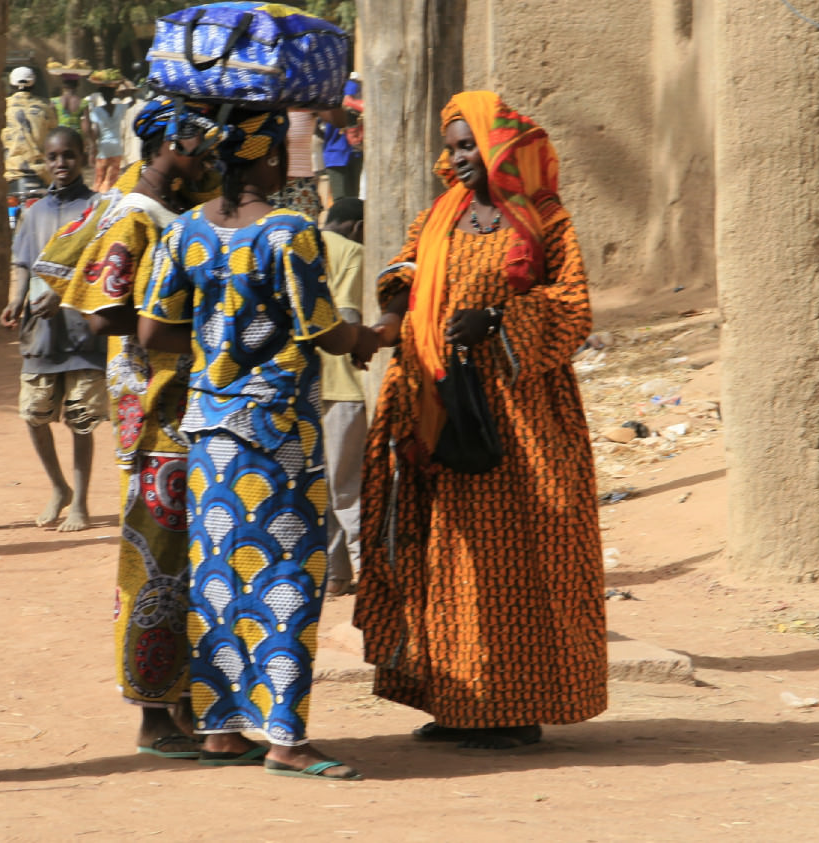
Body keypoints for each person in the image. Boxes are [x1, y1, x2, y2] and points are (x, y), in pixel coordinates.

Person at [354, 91, 606, 751]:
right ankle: (458, 700)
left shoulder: (546, 219)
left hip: (521, 420)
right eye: (454, 146)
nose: (458, 157)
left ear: (500, 147)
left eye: (470, 145)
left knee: (512, 557)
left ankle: (515, 707)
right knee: (444, 552)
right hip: (437, 406)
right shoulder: (441, 215)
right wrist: (387, 323)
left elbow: (574, 307)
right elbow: (405, 272)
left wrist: (497, 322)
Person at [139, 109, 381, 780]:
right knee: (286, 577)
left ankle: (220, 730)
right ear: (271, 157)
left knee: (218, 578)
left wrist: (219, 346)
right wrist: (374, 335)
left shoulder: (186, 230)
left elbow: (152, 332)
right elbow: (326, 332)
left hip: (209, 434)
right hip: (277, 437)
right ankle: (285, 738)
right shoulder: (290, 233)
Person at [33, 98, 224, 759]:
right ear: (164, 143)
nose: (204, 152)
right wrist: (188, 323)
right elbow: (101, 315)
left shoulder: (166, 210)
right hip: (155, 409)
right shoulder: (134, 216)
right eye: (194, 140)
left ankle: (183, 700)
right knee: (156, 556)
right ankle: (153, 712)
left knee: (184, 556)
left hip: (180, 403)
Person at [0, 127, 106, 532]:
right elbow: (23, 263)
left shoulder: (97, 209)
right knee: (34, 413)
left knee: (81, 418)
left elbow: (100, 269)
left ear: (83, 156)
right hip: (41, 331)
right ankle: (58, 486)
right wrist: (15, 299)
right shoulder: (34, 212)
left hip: (82, 330)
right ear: (44, 161)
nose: (60, 164)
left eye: (68, 156)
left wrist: (66, 296)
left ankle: (80, 500)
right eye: (52, 157)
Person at [316, 198, 366, 596]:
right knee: (350, 489)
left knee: (324, 487)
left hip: (305, 384)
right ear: (356, 226)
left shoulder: (303, 244)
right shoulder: (355, 253)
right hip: (347, 383)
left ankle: (335, 575)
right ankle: (371, 575)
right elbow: (348, 317)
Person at [2, 66, 55, 187]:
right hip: (42, 174)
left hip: (10, 172)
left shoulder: (2, 106)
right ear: (34, 85)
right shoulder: (46, 108)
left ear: (10, 85)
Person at [267, 109, 322, 218]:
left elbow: (338, 119)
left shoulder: (305, 100)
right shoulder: (267, 103)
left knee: (304, 232)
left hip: (301, 184)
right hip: (269, 183)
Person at [84, 68, 133, 192]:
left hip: (103, 148)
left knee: (99, 178)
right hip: (117, 148)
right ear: (114, 94)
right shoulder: (120, 108)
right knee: (111, 180)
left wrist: (92, 149)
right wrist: (123, 82)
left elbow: (95, 132)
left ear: (101, 95)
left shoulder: (97, 111)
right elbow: (132, 99)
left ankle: (97, 199)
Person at [46, 58, 91, 130]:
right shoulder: (83, 103)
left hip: (59, 133)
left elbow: (49, 122)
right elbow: (87, 128)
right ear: (78, 84)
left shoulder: (53, 102)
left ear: (63, 84)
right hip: (76, 136)